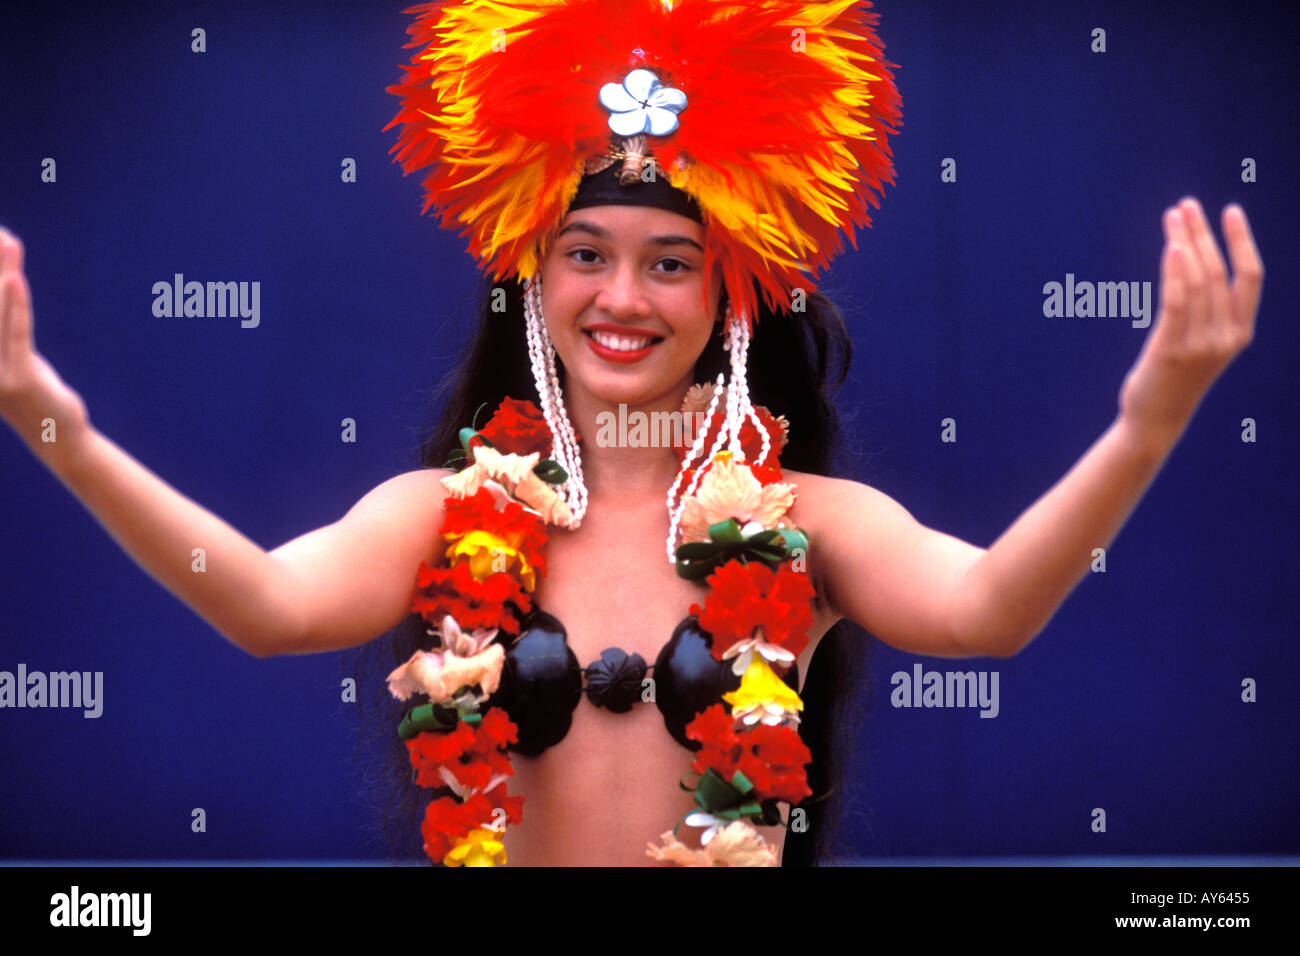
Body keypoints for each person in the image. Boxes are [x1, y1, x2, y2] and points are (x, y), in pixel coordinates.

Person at [0, 0, 1264, 866]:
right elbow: (262, 603)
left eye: (671, 262)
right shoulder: (441, 515)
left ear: (729, 294)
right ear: (532, 276)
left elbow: (987, 610)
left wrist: (1144, 425)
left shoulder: (809, 526)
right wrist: (52, 419)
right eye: (584, 254)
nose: (622, 297)